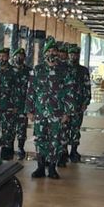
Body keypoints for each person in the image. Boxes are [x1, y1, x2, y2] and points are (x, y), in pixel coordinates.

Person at [26, 40, 75, 179]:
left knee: (55, 141)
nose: (51, 53)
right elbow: (31, 91)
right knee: (40, 139)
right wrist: (29, 110)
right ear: (44, 53)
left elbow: (70, 92)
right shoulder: (37, 70)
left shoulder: (65, 71)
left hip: (58, 113)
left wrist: (67, 112)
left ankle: (52, 168)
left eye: (54, 51)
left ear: (57, 53)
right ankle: (40, 167)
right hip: (40, 112)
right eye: (48, 51)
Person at [65, 44, 91, 163]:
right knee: (64, 129)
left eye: (76, 54)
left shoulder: (83, 70)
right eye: (71, 54)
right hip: (65, 106)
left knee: (75, 129)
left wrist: (86, 102)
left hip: (78, 105)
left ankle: (74, 151)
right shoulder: (62, 68)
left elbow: (87, 87)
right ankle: (63, 151)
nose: (73, 56)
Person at [0, 47, 18, 160]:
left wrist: (16, 106)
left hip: (9, 106)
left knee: (8, 131)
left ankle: (7, 154)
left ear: (8, 57)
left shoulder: (14, 71)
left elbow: (19, 90)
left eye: (4, 56)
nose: (1, 58)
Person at [12, 47, 32, 159]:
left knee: (21, 128)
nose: (19, 58)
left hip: (23, 105)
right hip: (10, 104)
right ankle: (9, 147)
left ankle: (20, 148)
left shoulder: (29, 71)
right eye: (17, 56)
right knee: (8, 128)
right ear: (13, 57)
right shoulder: (9, 70)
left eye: (21, 56)